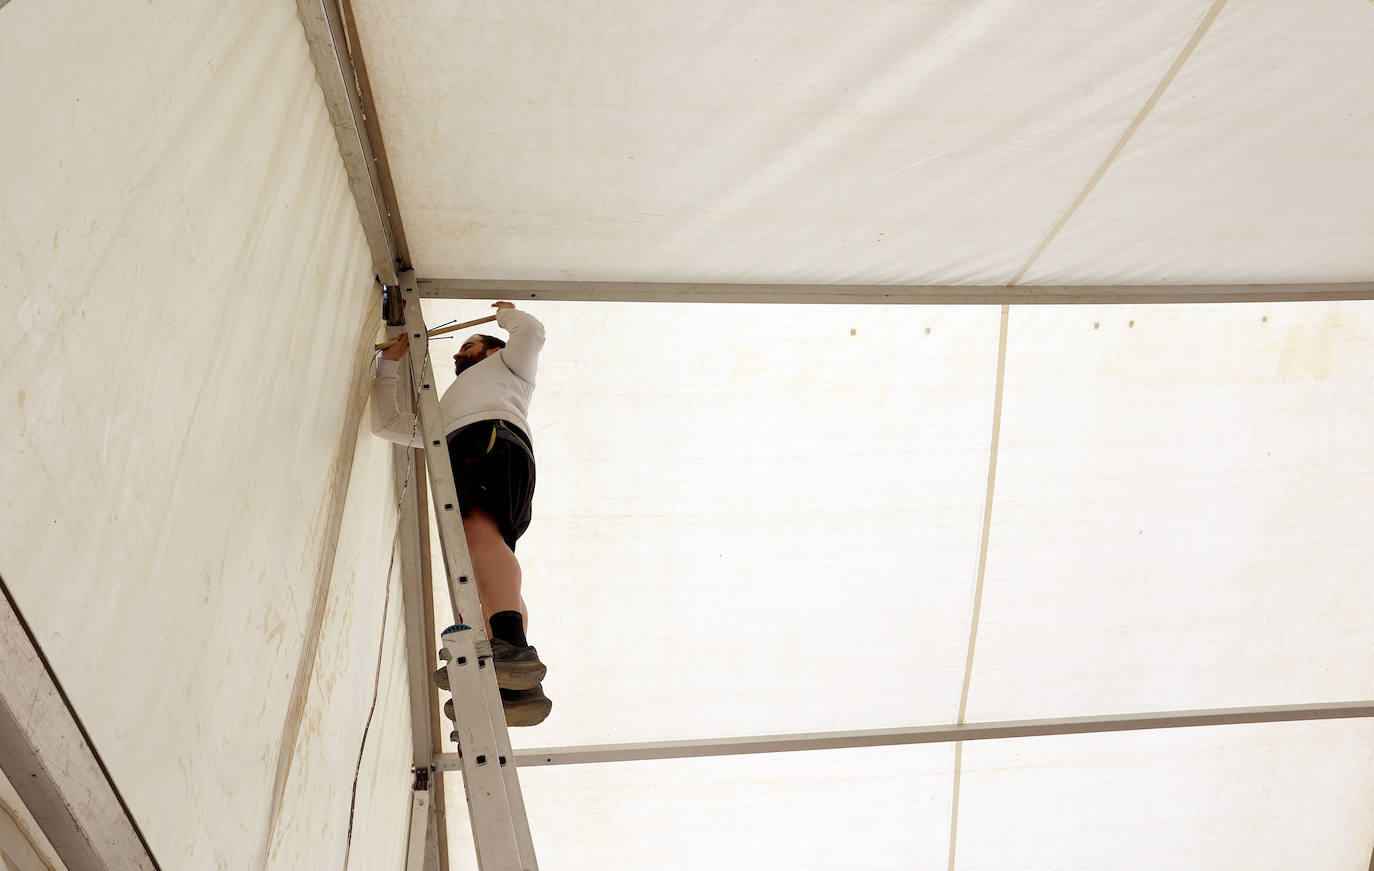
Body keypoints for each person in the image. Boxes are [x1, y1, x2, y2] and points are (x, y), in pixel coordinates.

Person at [371, 301, 550, 726]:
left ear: (492, 350)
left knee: (477, 536)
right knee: (481, 549)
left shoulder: (510, 367)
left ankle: (510, 643)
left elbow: (532, 332)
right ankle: (513, 675)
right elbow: (389, 424)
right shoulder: (445, 409)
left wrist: (506, 314)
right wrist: (388, 367)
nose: (455, 353)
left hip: (490, 438)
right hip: (463, 446)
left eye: (466, 345)